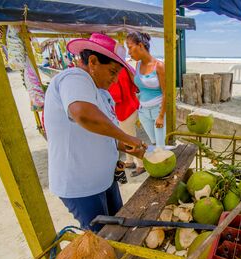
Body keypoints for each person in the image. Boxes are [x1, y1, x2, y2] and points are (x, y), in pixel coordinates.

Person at [44, 33, 147, 232]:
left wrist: (124, 145)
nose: (116, 79)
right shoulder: (74, 78)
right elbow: (83, 115)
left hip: (104, 179)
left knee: (118, 228)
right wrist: (125, 136)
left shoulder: (100, 91)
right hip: (81, 184)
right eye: (112, 71)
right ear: (92, 61)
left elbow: (103, 131)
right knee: (101, 239)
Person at [126, 32, 166, 148]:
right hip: (143, 111)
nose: (129, 52)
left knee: (160, 147)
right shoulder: (137, 65)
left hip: (157, 110)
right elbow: (139, 83)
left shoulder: (159, 66)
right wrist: (125, 66)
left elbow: (166, 93)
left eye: (130, 47)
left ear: (140, 45)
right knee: (153, 143)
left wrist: (161, 116)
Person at [108, 67, 146, 176]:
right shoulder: (125, 68)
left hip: (124, 109)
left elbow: (115, 96)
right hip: (133, 103)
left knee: (129, 138)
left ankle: (141, 164)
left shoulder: (114, 71)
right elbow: (135, 87)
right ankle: (129, 161)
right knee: (126, 135)